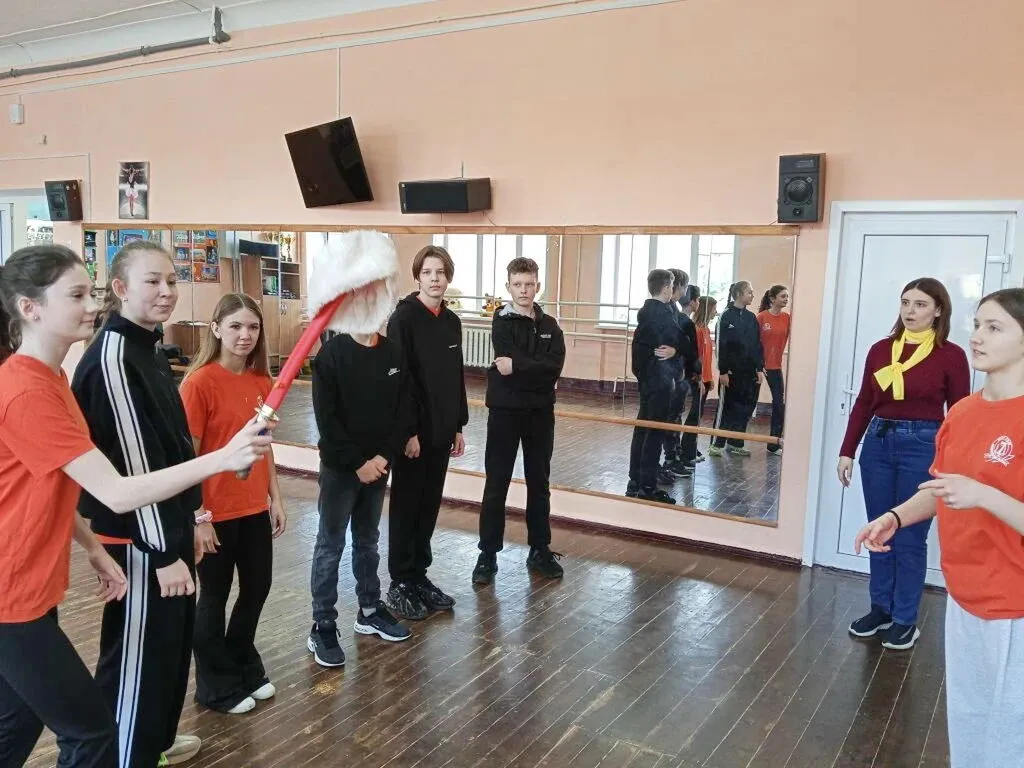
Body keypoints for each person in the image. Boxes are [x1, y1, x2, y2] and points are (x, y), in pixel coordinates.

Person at [0, 244, 269, 768]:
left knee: (20, 721)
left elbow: (53, 484)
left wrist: (92, 548)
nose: (91, 306)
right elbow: (118, 489)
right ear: (29, 308)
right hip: (10, 596)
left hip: (32, 586)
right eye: (76, 296)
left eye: (90, 292)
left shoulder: (51, 379)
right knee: (90, 733)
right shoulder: (29, 391)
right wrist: (222, 458)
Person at [853, 288, 1024, 766]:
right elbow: (940, 487)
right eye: (978, 324)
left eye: (995, 328)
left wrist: (983, 495)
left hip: (1015, 603)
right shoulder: (964, 412)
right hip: (964, 593)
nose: (977, 337)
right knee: (969, 722)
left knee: (1010, 735)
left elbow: (970, 492)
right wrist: (894, 517)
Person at [840, 277, 970, 650]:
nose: (910, 311)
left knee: (910, 536)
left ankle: (905, 619)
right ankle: (880, 609)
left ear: (938, 311)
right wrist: (847, 450)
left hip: (923, 445)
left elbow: (959, 412)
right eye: (906, 303)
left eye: (920, 304)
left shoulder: (950, 355)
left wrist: (953, 462)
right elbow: (864, 402)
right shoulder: (881, 350)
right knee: (878, 531)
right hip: (878, 443)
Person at [179, 294, 287, 715]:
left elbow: (264, 448)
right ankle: (214, 685)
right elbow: (187, 457)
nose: (245, 335)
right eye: (236, 326)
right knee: (214, 598)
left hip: (253, 507)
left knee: (257, 588)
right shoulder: (199, 383)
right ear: (217, 329)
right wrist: (198, 517)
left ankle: (242, 661)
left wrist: (275, 497)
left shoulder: (262, 383)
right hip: (214, 512)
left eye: (253, 327)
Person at [308, 322, 412, 668]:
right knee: (330, 544)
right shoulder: (332, 355)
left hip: (379, 467)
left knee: (368, 540)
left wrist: (383, 457)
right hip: (340, 470)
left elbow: (403, 411)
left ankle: (369, 610)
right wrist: (357, 464)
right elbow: (327, 419)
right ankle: (322, 623)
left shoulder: (394, 353)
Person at [385, 245, 468, 620]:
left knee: (429, 506)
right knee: (407, 507)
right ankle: (400, 581)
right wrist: (408, 432)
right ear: (417, 276)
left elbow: (455, 377)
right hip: (414, 436)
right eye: (428, 272)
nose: (435, 278)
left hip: (442, 430)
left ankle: (418, 576)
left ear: (448, 277)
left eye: (441, 272)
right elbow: (399, 381)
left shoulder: (451, 321)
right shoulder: (403, 319)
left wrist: (458, 425)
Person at [473, 257, 566, 586]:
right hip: (505, 412)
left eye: (529, 284)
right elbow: (508, 366)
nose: (524, 290)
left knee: (539, 483)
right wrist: (535, 369)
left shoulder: (551, 325)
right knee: (496, 483)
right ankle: (487, 554)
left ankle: (540, 549)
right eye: (518, 284)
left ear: (537, 286)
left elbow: (553, 368)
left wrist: (520, 367)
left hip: (540, 413)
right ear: (508, 287)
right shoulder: (501, 321)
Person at [626, 268, 680, 504]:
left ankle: (636, 480)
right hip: (659, 381)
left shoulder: (647, 313)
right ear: (666, 288)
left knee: (643, 429)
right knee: (654, 432)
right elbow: (675, 343)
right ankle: (647, 485)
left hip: (649, 380)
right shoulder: (663, 315)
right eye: (672, 286)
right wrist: (676, 352)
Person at [710, 281, 763, 457]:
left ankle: (736, 442)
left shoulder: (751, 318)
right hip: (731, 373)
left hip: (748, 372)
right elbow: (721, 345)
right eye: (749, 292)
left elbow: (757, 345)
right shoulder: (725, 316)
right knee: (726, 407)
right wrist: (723, 371)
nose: (752, 295)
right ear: (739, 294)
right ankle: (716, 443)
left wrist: (759, 368)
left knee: (744, 408)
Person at [661, 269, 698, 478]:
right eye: (684, 286)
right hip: (669, 377)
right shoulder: (669, 314)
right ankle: (669, 459)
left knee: (674, 417)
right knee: (670, 419)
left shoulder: (676, 313)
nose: (685, 291)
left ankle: (672, 458)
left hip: (677, 376)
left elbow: (687, 348)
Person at [757, 285, 791, 455]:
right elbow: (754, 342)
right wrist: (758, 366)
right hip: (759, 367)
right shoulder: (762, 317)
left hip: (775, 367)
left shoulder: (787, 318)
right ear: (772, 299)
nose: (786, 299)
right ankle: (734, 441)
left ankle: (774, 443)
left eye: (787, 297)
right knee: (747, 403)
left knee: (779, 403)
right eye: (782, 296)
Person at [694, 295, 718, 453]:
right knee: (694, 415)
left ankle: (692, 446)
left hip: (706, 378)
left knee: (699, 414)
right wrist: (700, 379)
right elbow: (697, 358)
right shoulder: (697, 330)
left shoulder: (707, 330)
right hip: (699, 380)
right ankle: (688, 448)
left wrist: (710, 378)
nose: (715, 312)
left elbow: (707, 357)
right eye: (714, 309)